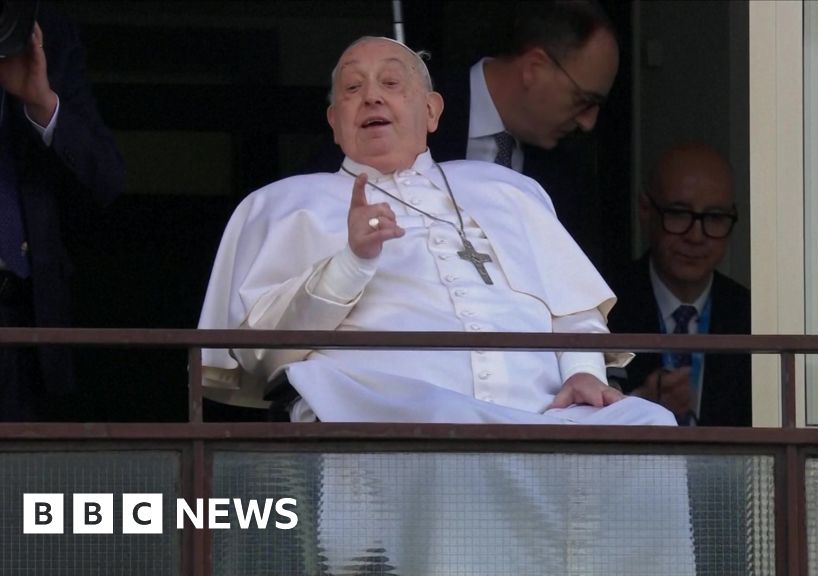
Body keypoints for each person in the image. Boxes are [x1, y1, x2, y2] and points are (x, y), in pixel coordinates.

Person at [199, 37, 693, 575]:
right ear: (334, 120)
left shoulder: (505, 189)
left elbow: (571, 307)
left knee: (648, 424)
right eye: (352, 89)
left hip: (539, 408)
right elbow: (260, 350)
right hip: (399, 409)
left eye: (391, 83)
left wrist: (580, 369)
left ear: (432, 111)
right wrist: (350, 262)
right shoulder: (284, 204)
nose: (372, 98)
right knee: (447, 434)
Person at [301, 0, 619, 269]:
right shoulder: (402, 110)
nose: (589, 123)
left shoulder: (567, 173)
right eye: (583, 101)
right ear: (533, 68)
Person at [0, 3, 124, 421]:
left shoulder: (38, 32)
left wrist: (42, 104)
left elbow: (106, 179)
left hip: (17, 322)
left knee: (16, 479)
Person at [608, 143, 752, 427]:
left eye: (714, 217)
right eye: (679, 213)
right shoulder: (603, 306)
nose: (696, 236)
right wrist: (638, 405)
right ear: (646, 211)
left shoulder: (752, 316)